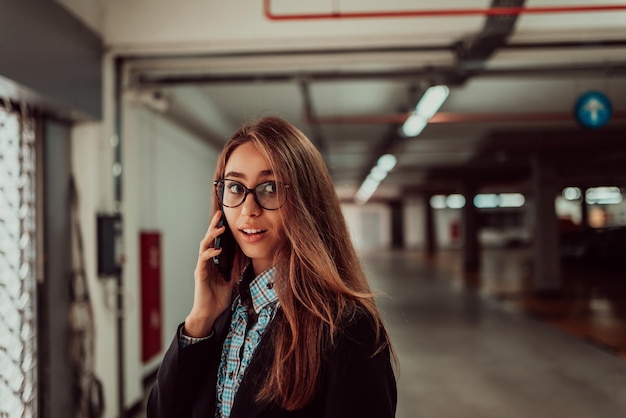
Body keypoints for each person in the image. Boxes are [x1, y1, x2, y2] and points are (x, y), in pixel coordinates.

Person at [147, 116, 397, 418]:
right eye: (235, 187)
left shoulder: (346, 328)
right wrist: (199, 319)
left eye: (270, 187)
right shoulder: (223, 316)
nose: (249, 210)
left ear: (305, 199)